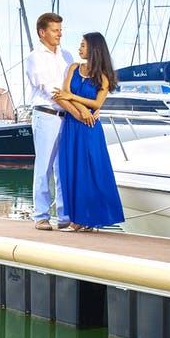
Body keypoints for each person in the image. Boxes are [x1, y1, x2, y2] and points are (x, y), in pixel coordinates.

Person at [52, 31, 124, 231]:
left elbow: (97, 102)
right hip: (72, 125)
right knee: (71, 170)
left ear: (93, 49)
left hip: (90, 128)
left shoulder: (103, 77)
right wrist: (81, 109)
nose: (79, 48)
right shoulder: (74, 67)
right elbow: (61, 96)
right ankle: (77, 219)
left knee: (90, 172)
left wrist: (74, 98)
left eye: (83, 45)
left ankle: (88, 220)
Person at [24, 12, 74, 230]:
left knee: (63, 167)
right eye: (55, 30)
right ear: (42, 32)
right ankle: (41, 216)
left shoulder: (68, 56)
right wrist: (80, 111)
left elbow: (71, 89)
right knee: (44, 166)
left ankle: (65, 217)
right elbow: (52, 90)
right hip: (47, 114)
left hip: (67, 115)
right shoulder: (34, 57)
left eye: (61, 30)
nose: (59, 34)